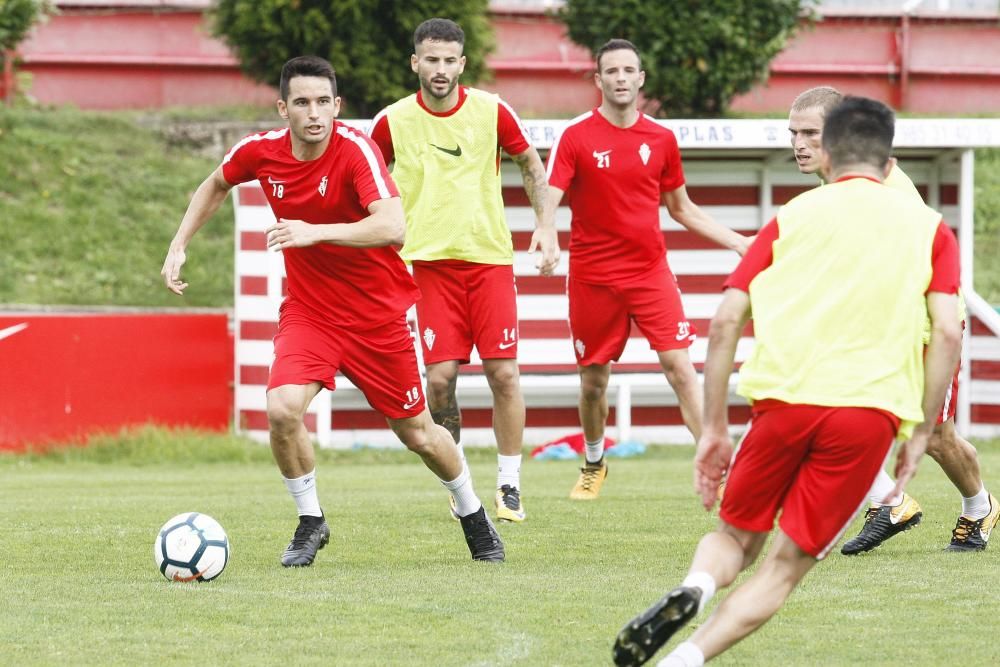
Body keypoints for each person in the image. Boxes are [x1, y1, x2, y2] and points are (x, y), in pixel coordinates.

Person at [612, 96, 963, 667]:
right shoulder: (928, 227)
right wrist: (920, 432)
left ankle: (698, 586)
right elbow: (946, 333)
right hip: (864, 416)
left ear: (830, 149)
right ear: (889, 154)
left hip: (782, 403)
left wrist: (715, 430)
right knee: (784, 565)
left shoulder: (792, 215)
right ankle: (689, 658)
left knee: (733, 540)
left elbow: (726, 318)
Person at [160, 55, 504, 566]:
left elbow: (392, 226)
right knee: (281, 412)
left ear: (337, 106)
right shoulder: (260, 152)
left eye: (324, 102)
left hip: (377, 319)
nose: (314, 112)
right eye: (302, 102)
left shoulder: (356, 151)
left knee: (420, 435)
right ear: (283, 109)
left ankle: (471, 512)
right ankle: (310, 522)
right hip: (310, 315)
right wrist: (179, 243)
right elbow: (216, 183)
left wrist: (314, 231)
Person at [789, 86, 998, 553]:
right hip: (885, 324)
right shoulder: (836, 180)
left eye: (810, 133)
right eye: (793, 133)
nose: (798, 144)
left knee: (936, 439)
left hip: (929, 324)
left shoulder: (876, 185)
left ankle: (978, 508)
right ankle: (890, 501)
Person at [369, 18, 558, 523]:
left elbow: (531, 163)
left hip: (488, 259)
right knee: (440, 381)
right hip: (426, 265)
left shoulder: (492, 111)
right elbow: (364, 181)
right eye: (431, 59)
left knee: (505, 374)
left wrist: (545, 226)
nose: (440, 69)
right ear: (415, 62)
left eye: (450, 60)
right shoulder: (391, 122)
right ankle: (460, 485)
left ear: (462, 64)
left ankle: (510, 485)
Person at [543, 39, 750, 500]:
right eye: (611, 71)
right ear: (598, 80)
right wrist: (546, 231)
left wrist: (738, 241)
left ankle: (718, 471)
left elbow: (682, 208)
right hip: (593, 279)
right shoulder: (575, 135)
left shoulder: (661, 139)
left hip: (650, 274)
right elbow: (551, 192)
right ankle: (595, 462)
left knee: (680, 368)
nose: (620, 78)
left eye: (628, 70)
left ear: (641, 79)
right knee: (594, 383)